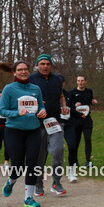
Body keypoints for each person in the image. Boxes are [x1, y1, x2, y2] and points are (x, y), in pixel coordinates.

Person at [0, 62, 48, 207]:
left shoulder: (36, 88)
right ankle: (11, 181)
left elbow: (41, 106)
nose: (23, 72)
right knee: (18, 165)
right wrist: (17, 113)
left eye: (26, 69)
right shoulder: (9, 89)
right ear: (14, 72)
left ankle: (29, 198)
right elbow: (3, 111)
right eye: (20, 70)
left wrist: (43, 111)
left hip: (33, 130)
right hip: (14, 131)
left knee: (33, 163)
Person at [29, 54, 68, 196]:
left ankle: (56, 182)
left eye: (48, 64)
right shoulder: (31, 79)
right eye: (42, 64)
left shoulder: (57, 79)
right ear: (38, 65)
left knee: (58, 150)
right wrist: (36, 105)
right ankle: (38, 183)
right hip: (37, 124)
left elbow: (61, 96)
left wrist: (64, 106)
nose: (45, 66)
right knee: (39, 155)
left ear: (51, 65)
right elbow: (24, 99)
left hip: (54, 121)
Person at [65, 75, 97, 182]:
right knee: (76, 141)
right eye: (78, 81)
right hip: (76, 120)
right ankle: (75, 161)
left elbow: (90, 101)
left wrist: (93, 101)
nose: (80, 82)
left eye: (82, 81)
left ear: (85, 82)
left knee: (88, 139)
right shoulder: (72, 92)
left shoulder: (89, 91)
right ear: (76, 82)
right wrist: (75, 105)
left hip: (87, 120)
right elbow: (69, 106)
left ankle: (88, 161)